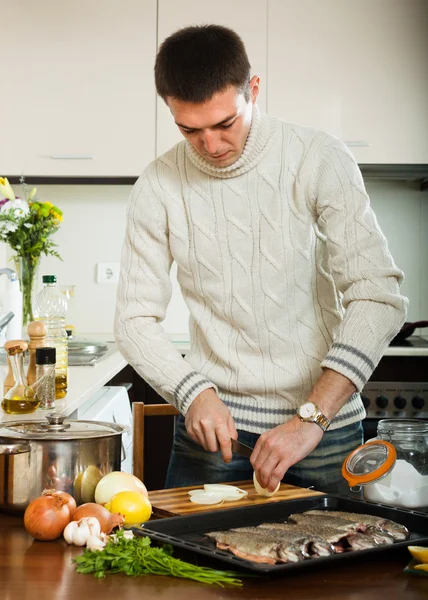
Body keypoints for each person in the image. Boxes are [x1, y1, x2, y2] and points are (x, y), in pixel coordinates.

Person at [114, 24, 407, 494]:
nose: (210, 146)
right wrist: (193, 393)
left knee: (337, 566)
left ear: (253, 89)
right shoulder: (157, 185)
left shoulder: (318, 158)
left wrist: (311, 416)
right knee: (187, 566)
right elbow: (133, 319)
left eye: (224, 123)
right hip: (213, 434)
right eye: (190, 129)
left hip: (323, 432)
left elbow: (378, 296)